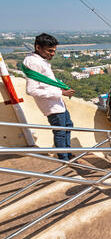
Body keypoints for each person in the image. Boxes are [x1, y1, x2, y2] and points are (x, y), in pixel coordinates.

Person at [23, 33, 75, 161]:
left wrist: (60, 87)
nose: (52, 54)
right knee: (60, 132)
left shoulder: (39, 60)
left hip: (57, 102)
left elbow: (47, 81)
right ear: (38, 47)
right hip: (52, 105)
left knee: (68, 126)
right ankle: (63, 158)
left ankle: (67, 153)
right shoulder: (33, 62)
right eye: (49, 51)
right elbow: (31, 90)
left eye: (54, 51)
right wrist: (60, 93)